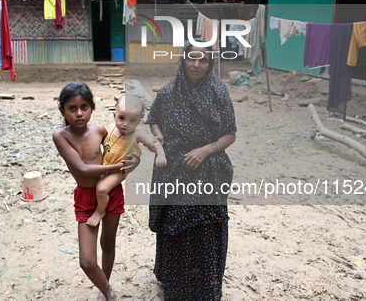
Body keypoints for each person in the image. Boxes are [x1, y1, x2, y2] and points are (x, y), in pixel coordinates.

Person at [146, 41, 237, 300]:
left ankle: (205, 286)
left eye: (203, 60)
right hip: (173, 170)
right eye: (191, 58)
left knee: (205, 227)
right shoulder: (168, 92)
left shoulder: (218, 92)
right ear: (182, 59)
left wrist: (205, 151)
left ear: (210, 64)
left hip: (208, 170)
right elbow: (153, 120)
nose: (196, 64)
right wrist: (159, 135)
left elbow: (230, 134)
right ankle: (174, 281)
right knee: (174, 224)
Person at [52, 81, 139, 301]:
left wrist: (134, 160)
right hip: (86, 196)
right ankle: (110, 292)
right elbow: (82, 168)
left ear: (92, 108)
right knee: (87, 261)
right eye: (72, 108)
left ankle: (104, 290)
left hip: (110, 190)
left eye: (84, 107)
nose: (79, 113)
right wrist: (116, 167)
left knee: (108, 243)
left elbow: (125, 143)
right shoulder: (61, 136)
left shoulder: (101, 129)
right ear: (63, 110)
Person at [86, 94, 166, 227]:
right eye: (121, 118)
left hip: (120, 169)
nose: (126, 124)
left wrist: (161, 154)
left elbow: (154, 142)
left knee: (101, 188)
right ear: (114, 115)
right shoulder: (110, 128)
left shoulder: (137, 134)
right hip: (106, 164)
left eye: (132, 121)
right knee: (92, 183)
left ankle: (100, 211)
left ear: (139, 122)